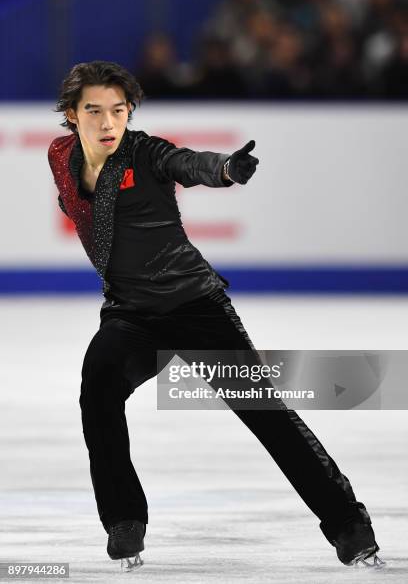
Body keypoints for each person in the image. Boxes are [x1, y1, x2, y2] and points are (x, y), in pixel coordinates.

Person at [48, 60, 384, 571]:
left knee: (267, 416)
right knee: (97, 390)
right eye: (93, 110)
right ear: (72, 116)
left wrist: (224, 169)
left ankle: (350, 528)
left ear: (130, 111)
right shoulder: (60, 156)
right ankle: (124, 524)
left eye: (118, 109)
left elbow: (187, 163)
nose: (107, 121)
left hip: (196, 308)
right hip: (129, 314)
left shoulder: (146, 151)